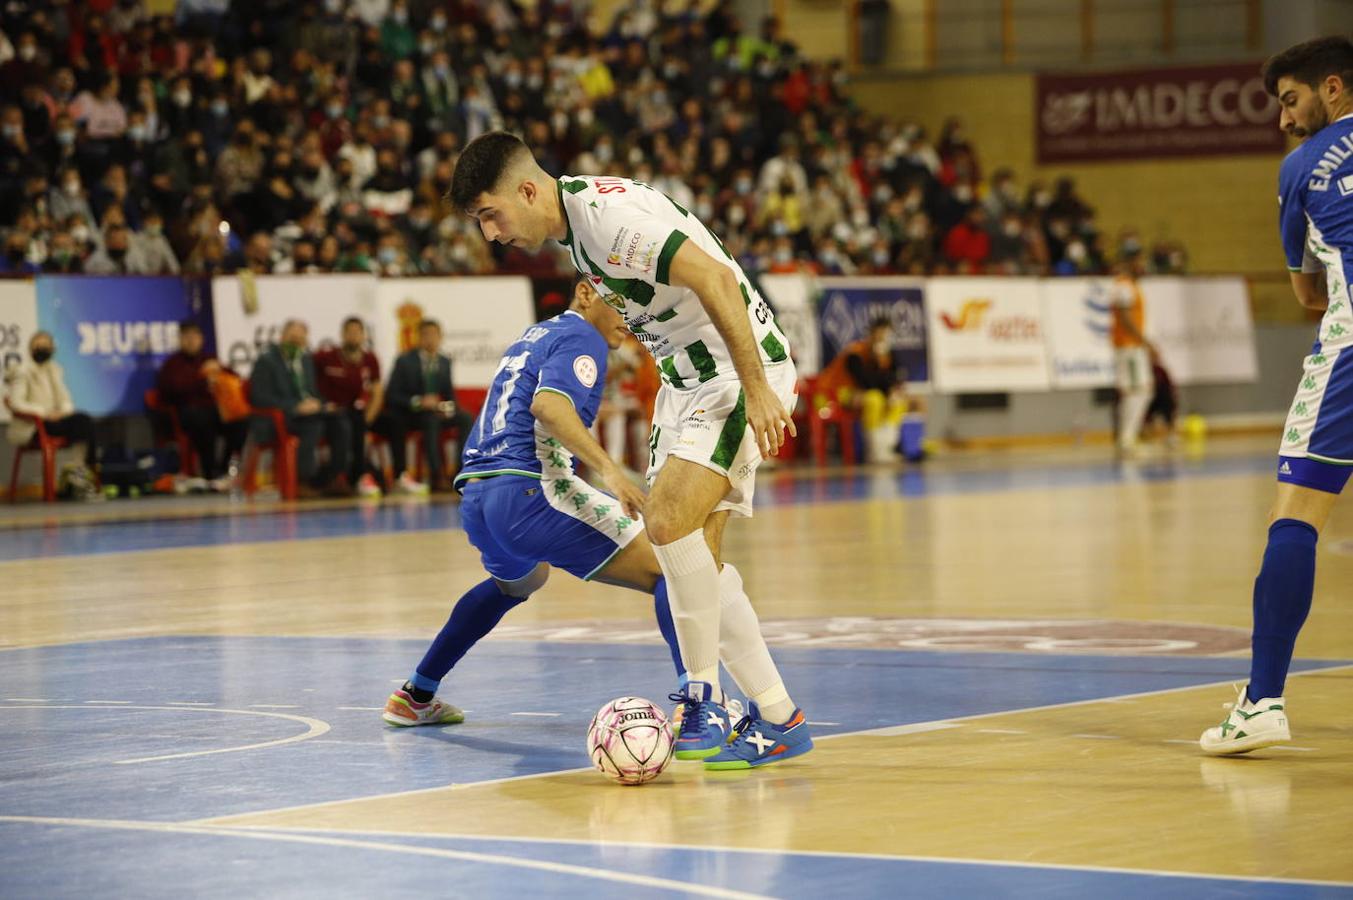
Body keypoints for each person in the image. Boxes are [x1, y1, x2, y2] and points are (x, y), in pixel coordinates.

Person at [449, 131, 811, 767]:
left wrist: (757, 388)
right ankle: (781, 718)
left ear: (527, 191)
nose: (491, 234)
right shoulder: (576, 232)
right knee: (691, 559)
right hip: (685, 382)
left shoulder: (606, 222)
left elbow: (717, 278)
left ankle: (703, 701)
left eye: (490, 215)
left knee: (667, 522)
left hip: (733, 373)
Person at [385, 279, 807, 769]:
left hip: (479, 496)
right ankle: (698, 707)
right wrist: (611, 471)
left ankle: (417, 694)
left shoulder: (536, 335)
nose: (628, 320)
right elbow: (549, 406)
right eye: (619, 305)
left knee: (518, 583)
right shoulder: (582, 336)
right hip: (532, 490)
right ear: (585, 294)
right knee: (673, 567)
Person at [1199, 36, 1353, 755]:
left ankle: (1261, 702)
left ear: (1332, 88)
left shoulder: (1301, 167)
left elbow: (1305, 293)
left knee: (1294, 515)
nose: (1283, 119)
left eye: (1290, 101)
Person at [248, 319, 352, 498]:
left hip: (308, 414)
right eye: (292, 338)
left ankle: (332, 478)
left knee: (340, 421)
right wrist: (295, 407)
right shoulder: (266, 361)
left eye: (300, 339)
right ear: (282, 337)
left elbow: (312, 392)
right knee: (314, 425)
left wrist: (321, 404)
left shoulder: (306, 360)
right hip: (279, 418)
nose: (295, 343)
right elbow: (259, 397)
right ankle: (302, 481)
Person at [376, 318, 473, 493]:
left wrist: (448, 408)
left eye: (434, 335)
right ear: (418, 338)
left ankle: (460, 472)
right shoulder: (405, 360)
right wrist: (419, 401)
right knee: (430, 420)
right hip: (412, 414)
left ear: (441, 337)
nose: (430, 339)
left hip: (437, 411)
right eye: (426, 335)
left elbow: (449, 394)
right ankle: (436, 476)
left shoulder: (444, 361)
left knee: (465, 418)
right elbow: (392, 395)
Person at [814, 316, 923, 463]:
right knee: (874, 399)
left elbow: (893, 379)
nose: (883, 339)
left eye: (887, 336)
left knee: (897, 400)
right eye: (880, 335)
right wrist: (880, 365)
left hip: (858, 392)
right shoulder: (855, 352)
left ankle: (887, 447)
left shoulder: (887, 355)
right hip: (832, 394)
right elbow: (866, 381)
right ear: (872, 334)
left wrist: (892, 391)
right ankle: (874, 450)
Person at [4, 331, 100, 498]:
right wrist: (44, 413)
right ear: (30, 348)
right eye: (38, 346)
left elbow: (66, 400)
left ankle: (78, 471)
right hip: (34, 425)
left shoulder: (55, 370)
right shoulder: (22, 371)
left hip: (54, 420)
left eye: (46, 346)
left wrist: (62, 412)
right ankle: (78, 473)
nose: (42, 349)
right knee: (82, 425)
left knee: (84, 421)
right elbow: (16, 403)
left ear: (53, 349)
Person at [155, 321, 247, 488]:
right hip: (188, 412)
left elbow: (234, 378)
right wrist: (202, 377)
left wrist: (219, 370)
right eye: (187, 336)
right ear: (180, 339)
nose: (191, 340)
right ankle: (209, 471)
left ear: (201, 339)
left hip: (216, 410)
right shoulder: (173, 364)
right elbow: (171, 389)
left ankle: (224, 469)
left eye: (195, 336)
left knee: (240, 422)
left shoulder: (209, 359)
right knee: (202, 420)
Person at [314, 316, 384, 498]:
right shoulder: (324, 357)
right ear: (342, 334)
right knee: (344, 423)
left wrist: (368, 421)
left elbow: (377, 393)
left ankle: (360, 476)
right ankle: (339, 477)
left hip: (356, 412)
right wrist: (320, 405)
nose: (353, 336)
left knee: (359, 421)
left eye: (357, 332)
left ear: (363, 335)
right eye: (349, 332)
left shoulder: (370, 359)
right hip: (330, 412)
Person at [1109, 248, 1152, 455]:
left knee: (1141, 391)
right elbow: (1125, 318)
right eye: (1140, 261)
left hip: (1132, 346)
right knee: (1137, 390)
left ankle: (1129, 437)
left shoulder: (1132, 285)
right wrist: (1144, 341)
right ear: (1131, 262)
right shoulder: (1124, 286)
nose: (1143, 266)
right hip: (1129, 346)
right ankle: (1127, 439)